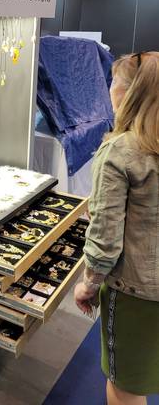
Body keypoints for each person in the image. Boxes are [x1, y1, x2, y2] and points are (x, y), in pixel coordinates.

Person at [74, 51, 159, 405]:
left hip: (135, 295)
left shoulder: (120, 152)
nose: (109, 89)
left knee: (124, 388)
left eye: (113, 83)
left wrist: (88, 285)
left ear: (127, 92)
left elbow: (105, 241)